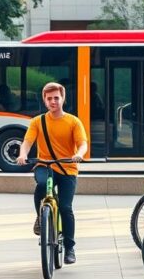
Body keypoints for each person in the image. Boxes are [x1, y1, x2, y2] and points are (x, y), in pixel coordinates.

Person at [16, 82, 89, 265]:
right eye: (49, 98)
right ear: (44, 100)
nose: (53, 101)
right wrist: (23, 154)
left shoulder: (73, 121)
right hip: (45, 165)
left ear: (63, 98)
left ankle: (70, 247)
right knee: (41, 185)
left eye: (56, 98)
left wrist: (78, 155)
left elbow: (82, 144)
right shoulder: (37, 121)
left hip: (67, 168)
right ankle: (41, 218)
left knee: (65, 207)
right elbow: (27, 141)